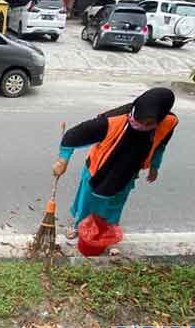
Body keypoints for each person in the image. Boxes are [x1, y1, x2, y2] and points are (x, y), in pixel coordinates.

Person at [52, 88, 178, 238]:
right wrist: (63, 159)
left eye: (148, 122)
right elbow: (72, 136)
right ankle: (80, 226)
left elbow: (161, 145)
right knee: (88, 200)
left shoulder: (169, 122)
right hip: (98, 169)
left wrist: (154, 166)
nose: (140, 124)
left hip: (128, 171)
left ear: (161, 116)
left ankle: (108, 230)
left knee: (115, 202)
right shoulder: (111, 120)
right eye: (138, 119)